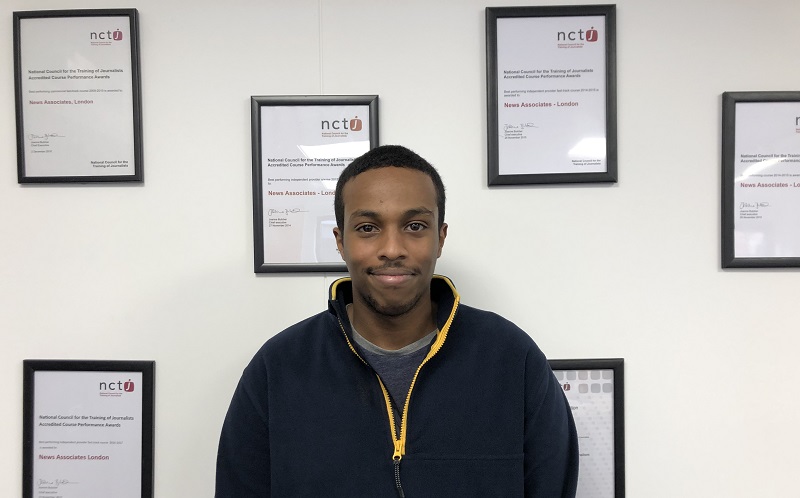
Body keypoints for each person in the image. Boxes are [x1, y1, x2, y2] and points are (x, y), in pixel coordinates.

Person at [215, 145, 578, 497]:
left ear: (440, 237)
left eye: (415, 225)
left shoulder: (513, 360)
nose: (392, 248)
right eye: (368, 228)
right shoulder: (278, 369)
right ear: (340, 242)